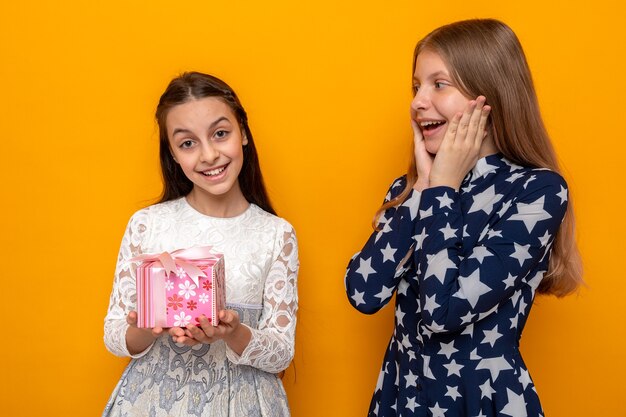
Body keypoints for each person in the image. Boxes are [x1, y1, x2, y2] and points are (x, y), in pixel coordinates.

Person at [345, 19, 582, 417]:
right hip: (402, 398)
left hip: (482, 401)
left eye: (439, 84)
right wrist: (422, 188)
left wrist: (441, 189)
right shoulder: (410, 189)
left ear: (490, 96)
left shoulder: (537, 192)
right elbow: (363, 293)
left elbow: (444, 311)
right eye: (416, 85)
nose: (418, 101)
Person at [103, 72, 298, 417]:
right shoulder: (147, 225)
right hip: (152, 402)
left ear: (244, 133)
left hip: (243, 404)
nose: (208, 155)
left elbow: (282, 352)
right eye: (187, 143)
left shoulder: (276, 234)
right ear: (173, 155)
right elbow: (115, 336)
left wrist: (233, 332)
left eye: (220, 134)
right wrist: (145, 325)